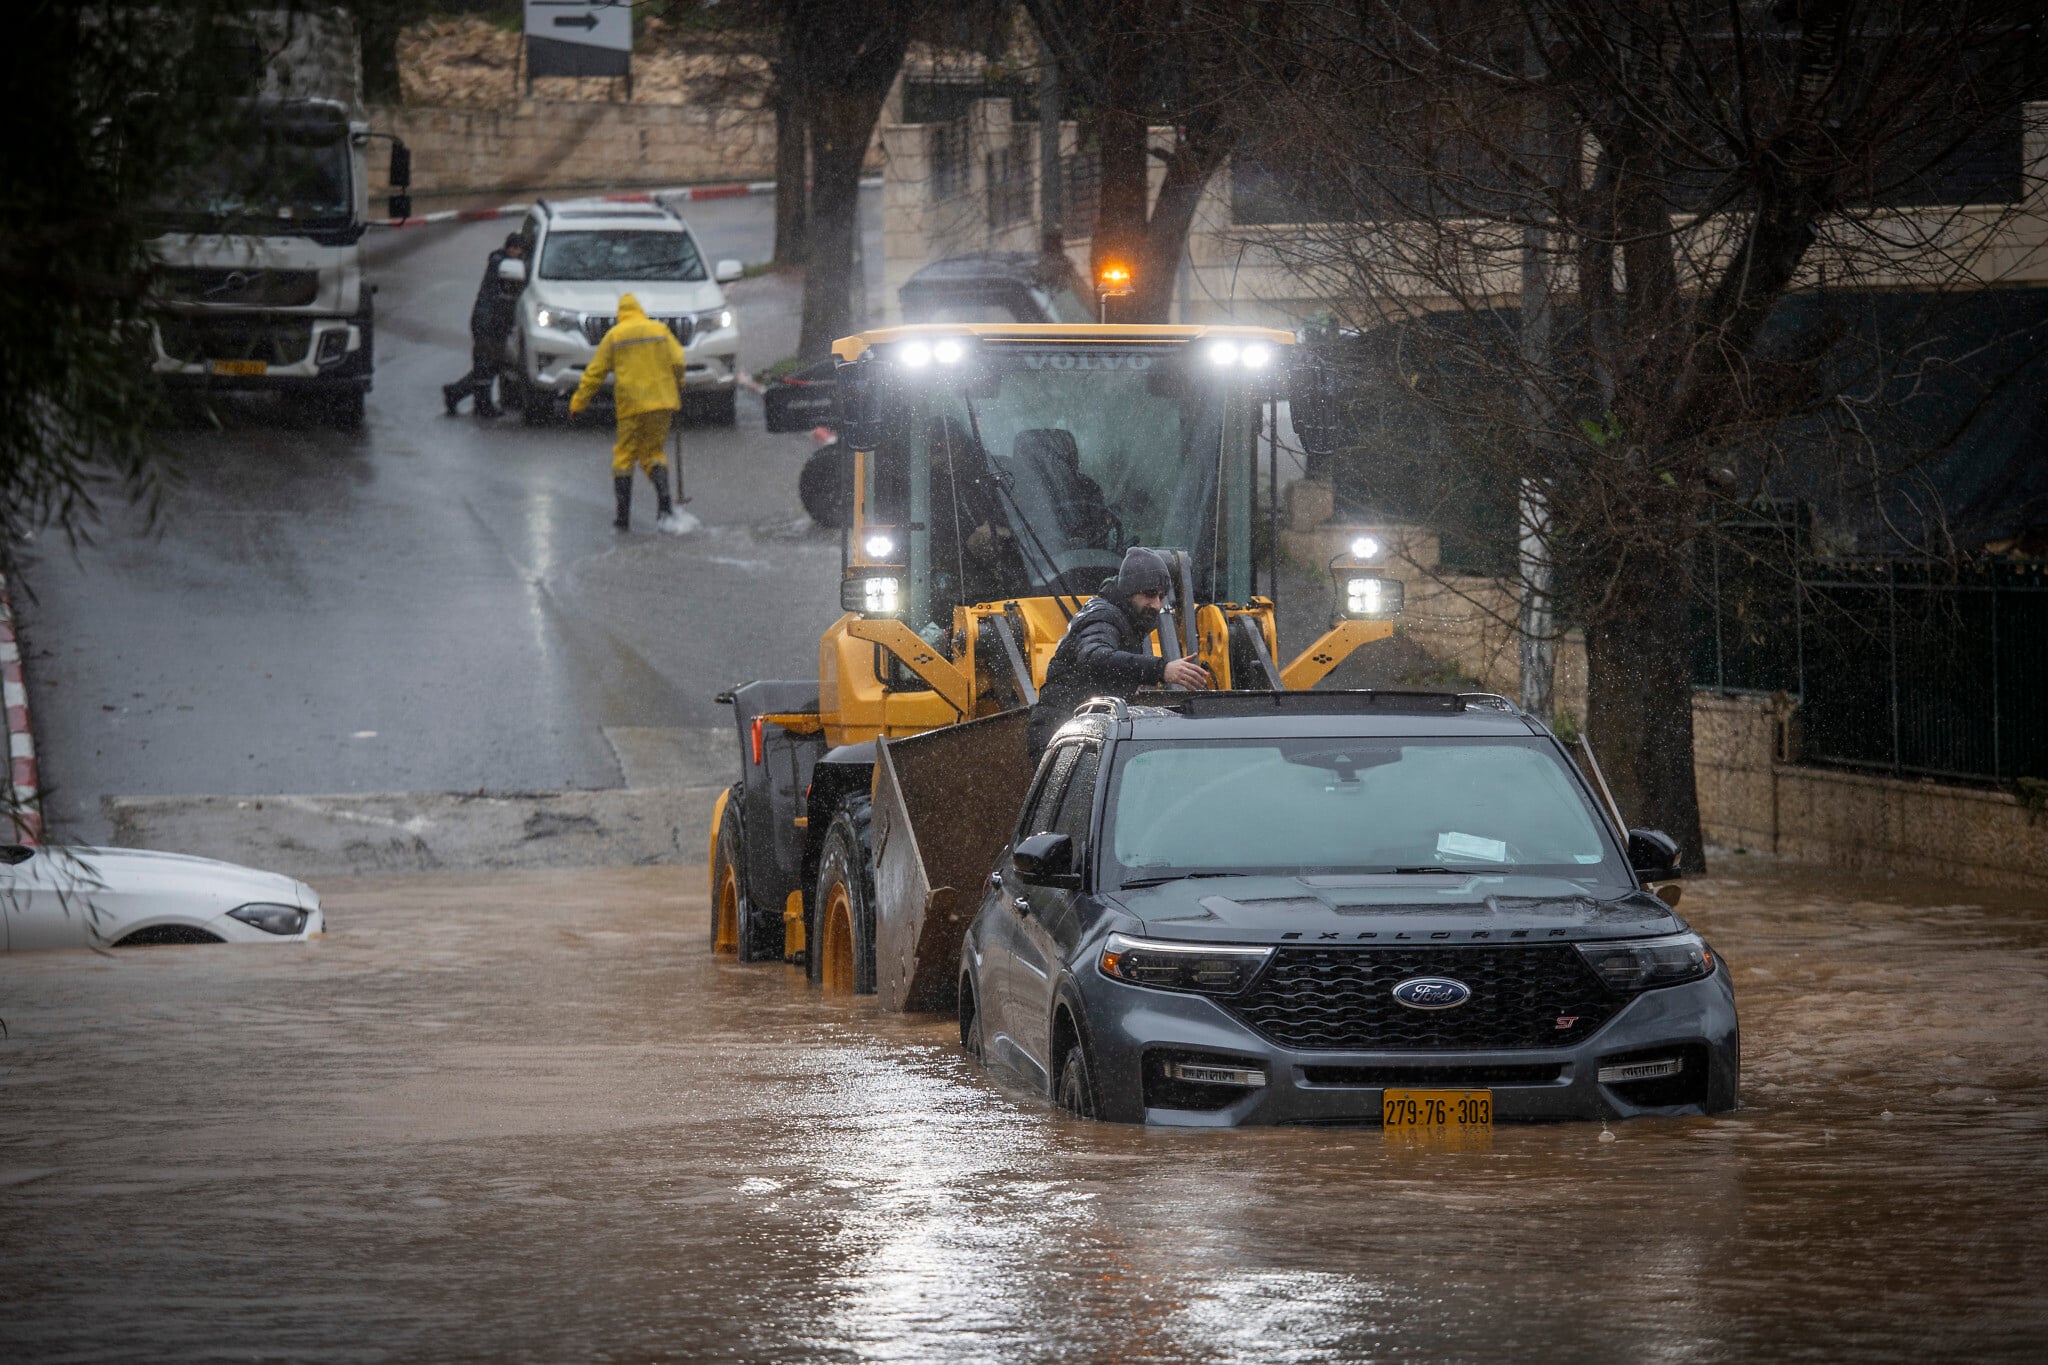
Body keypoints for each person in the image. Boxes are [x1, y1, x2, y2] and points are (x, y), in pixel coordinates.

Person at [1026, 546, 1210, 760]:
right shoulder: (1104, 617)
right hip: (1061, 738)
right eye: (1149, 595)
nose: (1157, 605)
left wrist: (1123, 687)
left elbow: (1098, 673)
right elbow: (1094, 657)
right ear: (1129, 591)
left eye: (1161, 597)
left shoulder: (1124, 618)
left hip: (1078, 733)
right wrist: (1161, 670)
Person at [569, 293, 691, 533]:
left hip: (631, 406)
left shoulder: (615, 336)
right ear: (639, 310)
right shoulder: (659, 330)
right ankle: (664, 507)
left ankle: (622, 517)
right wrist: (679, 383)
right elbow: (678, 360)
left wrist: (578, 403)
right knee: (654, 453)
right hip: (662, 403)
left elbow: (595, 373)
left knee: (625, 456)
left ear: (621, 314)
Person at [442, 232, 525, 418]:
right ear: (511, 248)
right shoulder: (501, 263)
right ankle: (467, 398)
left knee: (489, 364)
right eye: (516, 248)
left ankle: (466, 397)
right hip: (487, 321)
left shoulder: (502, 260)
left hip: (493, 321)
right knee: (486, 364)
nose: (517, 252)